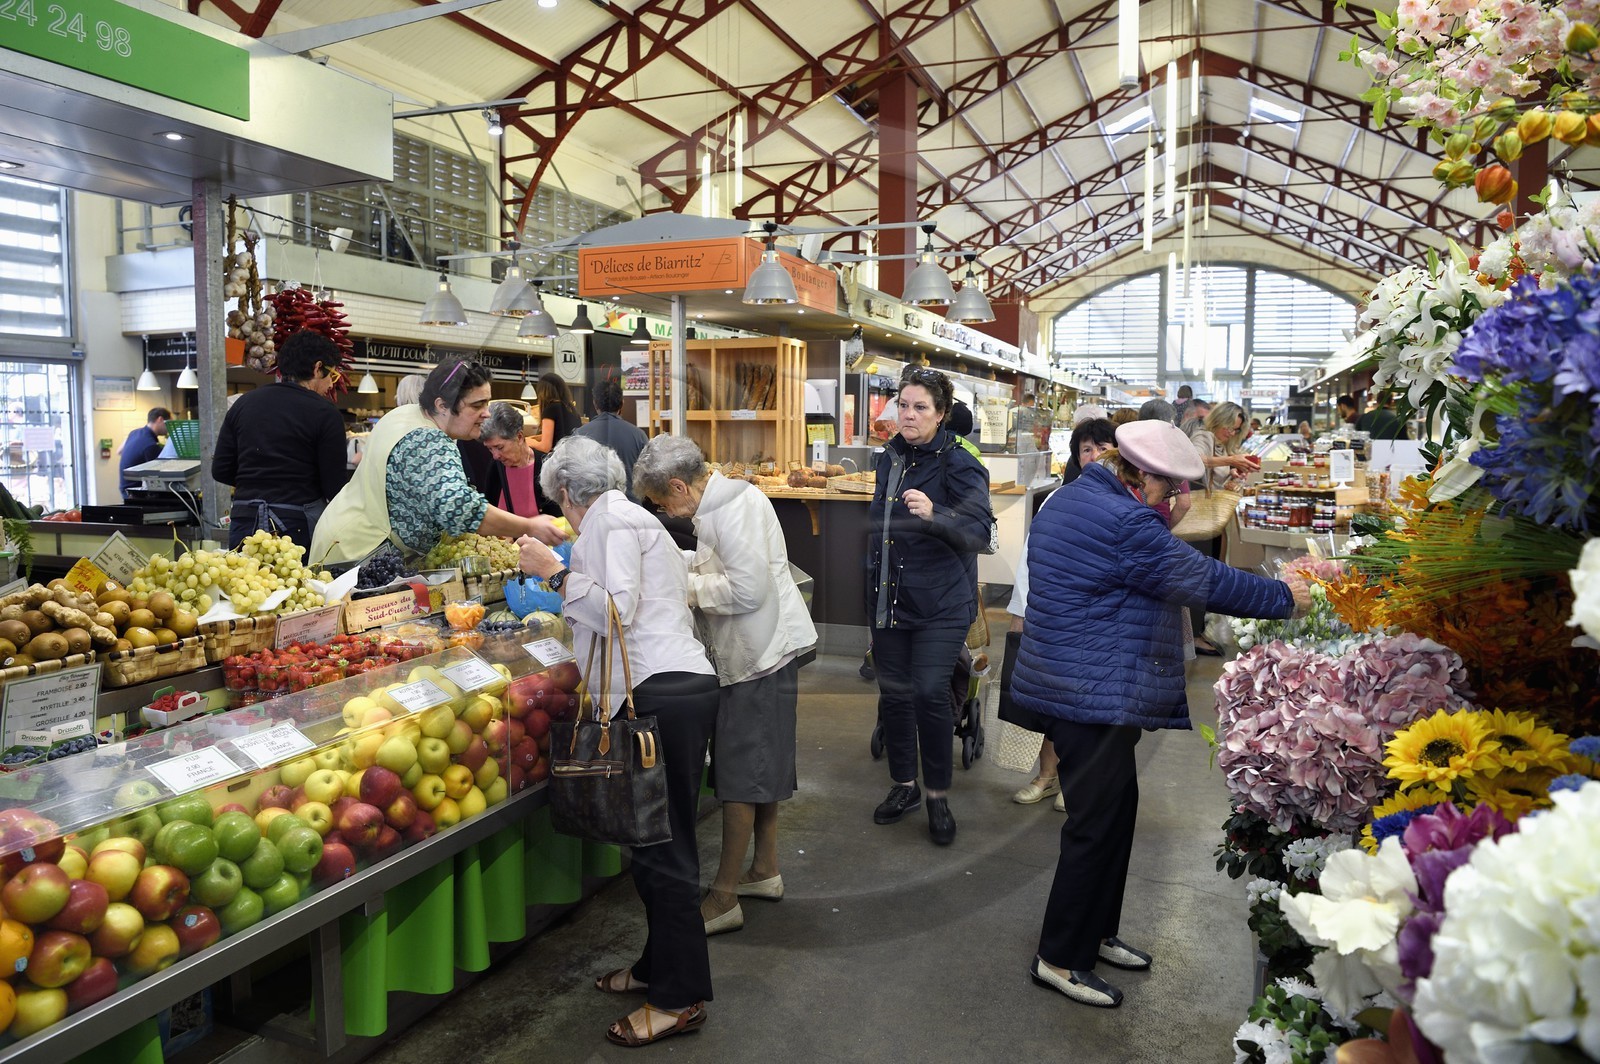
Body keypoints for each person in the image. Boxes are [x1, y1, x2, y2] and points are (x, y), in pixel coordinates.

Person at [1013, 420, 1309, 1009]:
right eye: (1174, 490)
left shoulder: (1074, 495)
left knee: (1116, 816)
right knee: (1094, 827)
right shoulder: (1125, 522)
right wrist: (1286, 598)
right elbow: (1201, 577)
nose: (1177, 503)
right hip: (1088, 694)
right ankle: (1059, 958)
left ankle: (1096, 932)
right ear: (1144, 477)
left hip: (1086, 685)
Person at [515, 436, 717, 1048]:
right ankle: (658, 970)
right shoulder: (627, 517)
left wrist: (552, 572)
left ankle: (678, 1000)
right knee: (657, 839)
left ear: (569, 495)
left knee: (662, 850)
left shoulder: (606, 522)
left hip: (659, 692)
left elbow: (615, 610)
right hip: (676, 686)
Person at [634, 436, 817, 937]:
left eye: (663, 502)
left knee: (740, 776)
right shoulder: (724, 501)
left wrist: (682, 587)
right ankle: (765, 869)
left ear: (678, 485)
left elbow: (745, 589)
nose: (666, 511)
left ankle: (725, 895)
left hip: (758, 657)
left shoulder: (731, 508)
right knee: (763, 765)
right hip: (764, 653)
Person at [865, 367, 994, 846]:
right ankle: (905, 786)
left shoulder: (958, 462)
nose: (910, 414)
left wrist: (936, 514)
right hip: (889, 601)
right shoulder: (890, 457)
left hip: (941, 603)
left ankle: (938, 794)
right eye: (904, 405)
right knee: (894, 696)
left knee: (929, 694)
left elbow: (981, 531)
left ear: (941, 414)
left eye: (921, 407)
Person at [310, 360, 564, 565]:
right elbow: (460, 509)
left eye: (487, 403)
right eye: (477, 405)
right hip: (358, 554)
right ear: (442, 405)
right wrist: (530, 525)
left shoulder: (408, 415)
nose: (486, 413)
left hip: (343, 538)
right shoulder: (427, 441)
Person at [1004, 416, 1116, 811]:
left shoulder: (1132, 505)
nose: (1096, 455)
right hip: (1053, 622)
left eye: (1103, 447)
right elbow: (1030, 561)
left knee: (1085, 708)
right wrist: (1020, 611)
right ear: (1078, 460)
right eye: (1087, 450)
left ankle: (1077, 779)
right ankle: (1047, 776)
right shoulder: (1058, 499)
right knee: (1048, 704)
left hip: (1101, 628)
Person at [212, 332, 348, 550]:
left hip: (245, 522)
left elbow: (220, 469)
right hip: (296, 526)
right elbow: (334, 488)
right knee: (298, 582)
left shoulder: (243, 404)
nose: (331, 385)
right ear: (317, 368)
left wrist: (258, 482)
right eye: (331, 376)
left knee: (244, 581)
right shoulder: (325, 413)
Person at [1187, 401, 1258, 655]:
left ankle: (1199, 627)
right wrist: (1230, 459)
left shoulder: (1222, 444)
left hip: (1212, 515)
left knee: (1211, 567)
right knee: (1199, 569)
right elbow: (1194, 461)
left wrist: (1232, 477)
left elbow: (1216, 476)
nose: (1231, 432)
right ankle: (1193, 633)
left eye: (1236, 430)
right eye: (1230, 427)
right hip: (1197, 516)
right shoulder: (1204, 436)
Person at [573, 375, 648, 501]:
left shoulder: (579, 435)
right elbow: (647, 476)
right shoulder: (639, 435)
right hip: (631, 507)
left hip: (593, 508)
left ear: (595, 403)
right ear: (622, 403)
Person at [530, 372, 583, 514]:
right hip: (573, 469)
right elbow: (560, 433)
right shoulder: (573, 411)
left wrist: (527, 441)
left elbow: (545, 446)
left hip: (556, 471)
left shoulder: (550, 409)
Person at [476, 402, 540, 517]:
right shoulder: (495, 467)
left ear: (519, 437)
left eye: (499, 447)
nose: (495, 456)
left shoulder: (546, 467)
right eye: (490, 449)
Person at [119, 407, 169, 498]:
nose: (169, 428)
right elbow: (161, 473)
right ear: (160, 419)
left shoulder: (134, 433)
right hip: (135, 493)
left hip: (125, 488)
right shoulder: (150, 445)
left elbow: (119, 450)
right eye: (168, 423)